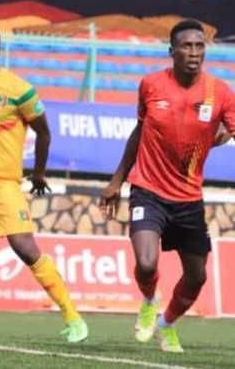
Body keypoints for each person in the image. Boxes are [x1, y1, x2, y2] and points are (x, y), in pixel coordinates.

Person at [101, 19, 235, 354]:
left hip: (188, 198)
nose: (194, 52)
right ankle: (150, 300)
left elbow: (231, 129)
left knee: (197, 276)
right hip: (148, 190)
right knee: (147, 263)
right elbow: (139, 131)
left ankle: (167, 324)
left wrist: (217, 138)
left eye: (199, 46)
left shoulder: (219, 92)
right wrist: (117, 180)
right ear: (172, 51)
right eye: (187, 46)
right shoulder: (151, 85)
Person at [0, 23, 88, 343]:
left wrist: (39, 173)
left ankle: (72, 316)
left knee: (25, 247)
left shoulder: (19, 89)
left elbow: (43, 131)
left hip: (2, 181)